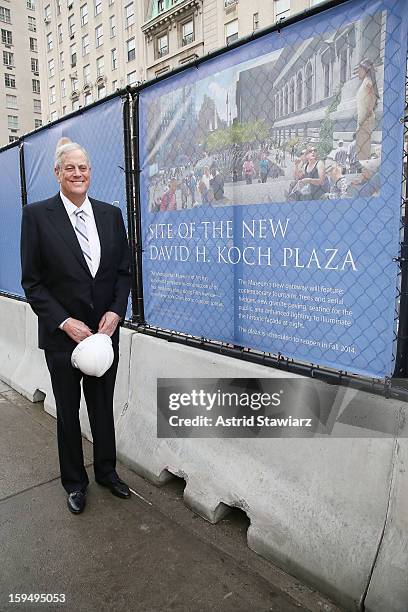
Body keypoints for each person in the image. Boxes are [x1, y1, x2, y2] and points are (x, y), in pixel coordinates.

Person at [20, 140, 131, 514]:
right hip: (63, 338)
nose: (78, 174)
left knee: (102, 407)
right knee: (68, 413)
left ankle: (106, 472)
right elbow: (32, 282)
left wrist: (115, 313)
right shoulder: (37, 216)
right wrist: (65, 323)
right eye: (70, 168)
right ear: (57, 173)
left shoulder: (111, 215)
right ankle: (74, 483)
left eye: (83, 167)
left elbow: (123, 273)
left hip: (103, 337)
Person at [355, 58, 380, 160]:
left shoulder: (368, 83)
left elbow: (371, 103)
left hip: (365, 121)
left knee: (363, 149)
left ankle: (366, 173)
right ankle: (364, 172)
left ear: (365, 70)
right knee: (362, 149)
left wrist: (362, 122)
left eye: (359, 70)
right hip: (363, 120)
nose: (357, 73)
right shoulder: (365, 82)